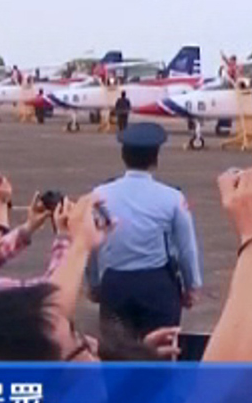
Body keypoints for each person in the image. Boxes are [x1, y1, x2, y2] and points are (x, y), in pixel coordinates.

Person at [87, 122, 204, 339]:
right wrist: (192, 286)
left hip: (115, 284)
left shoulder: (100, 195)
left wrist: (94, 283)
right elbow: (186, 248)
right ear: (155, 159)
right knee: (161, 350)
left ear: (123, 156)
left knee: (117, 352)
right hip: (156, 285)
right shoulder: (172, 198)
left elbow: (91, 244)